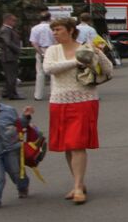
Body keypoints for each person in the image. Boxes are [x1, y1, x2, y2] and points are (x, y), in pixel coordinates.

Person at [42, 16, 112, 204]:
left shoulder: (85, 48)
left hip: (84, 99)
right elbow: (48, 69)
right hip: (59, 101)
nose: (55, 33)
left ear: (70, 30)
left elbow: (108, 69)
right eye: (54, 30)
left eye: (58, 29)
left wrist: (97, 54)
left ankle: (78, 187)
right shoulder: (52, 50)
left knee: (77, 143)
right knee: (68, 145)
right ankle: (77, 182)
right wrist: (76, 61)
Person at [0, 13, 24, 100]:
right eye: (13, 20)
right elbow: (8, 42)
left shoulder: (8, 29)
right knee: (11, 76)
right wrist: (18, 49)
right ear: (7, 20)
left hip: (9, 56)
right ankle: (12, 94)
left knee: (9, 75)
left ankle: (6, 92)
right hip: (9, 56)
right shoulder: (6, 30)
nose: (15, 22)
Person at [29, 11, 53, 101]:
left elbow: (34, 43)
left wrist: (40, 53)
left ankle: (38, 95)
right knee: (53, 72)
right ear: (49, 18)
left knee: (40, 72)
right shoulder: (52, 27)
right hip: (52, 49)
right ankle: (53, 93)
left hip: (41, 49)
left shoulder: (35, 28)